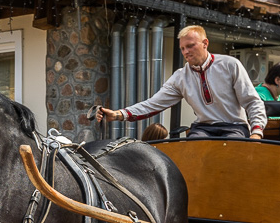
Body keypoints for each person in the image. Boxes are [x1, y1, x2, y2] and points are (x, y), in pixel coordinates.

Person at [95, 25, 267, 140]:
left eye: (190, 46)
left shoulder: (230, 65)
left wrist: (257, 132)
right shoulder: (180, 77)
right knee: (191, 148)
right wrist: (118, 114)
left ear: (205, 43)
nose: (186, 51)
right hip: (203, 129)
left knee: (230, 149)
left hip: (234, 127)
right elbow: (152, 104)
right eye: (183, 48)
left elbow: (252, 101)